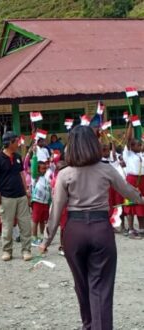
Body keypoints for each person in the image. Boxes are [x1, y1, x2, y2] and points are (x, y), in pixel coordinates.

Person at [39, 125, 144, 330]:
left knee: (82, 284)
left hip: (74, 232)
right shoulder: (106, 169)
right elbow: (130, 194)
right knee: (101, 286)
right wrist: (140, 197)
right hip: (100, 230)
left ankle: (88, 325)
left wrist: (46, 241)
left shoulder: (64, 174)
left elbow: (56, 210)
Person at [0, 131, 33, 262]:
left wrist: (26, 190)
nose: (18, 143)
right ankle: (7, 251)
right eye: (16, 141)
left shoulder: (18, 157)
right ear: (9, 143)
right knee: (7, 226)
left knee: (25, 225)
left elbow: (22, 175)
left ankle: (26, 250)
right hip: (6, 197)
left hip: (21, 197)